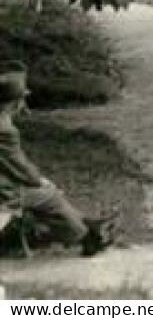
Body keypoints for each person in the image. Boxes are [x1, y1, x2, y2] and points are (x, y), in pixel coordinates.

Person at [0, 68, 114, 256]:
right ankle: (87, 237)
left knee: (45, 193)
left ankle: (88, 226)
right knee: (49, 197)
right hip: (3, 192)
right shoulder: (5, 130)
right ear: (15, 103)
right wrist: (40, 181)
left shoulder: (3, 123)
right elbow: (19, 166)